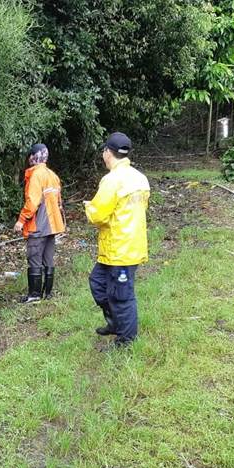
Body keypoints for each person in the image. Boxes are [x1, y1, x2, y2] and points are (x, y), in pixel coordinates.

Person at [84, 132, 150, 349]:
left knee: (123, 297)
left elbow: (98, 214)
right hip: (117, 248)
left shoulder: (112, 180)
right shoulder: (140, 178)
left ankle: (126, 341)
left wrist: (88, 207)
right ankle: (115, 322)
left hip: (121, 250)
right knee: (98, 283)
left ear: (107, 152)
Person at [13, 143, 66, 303]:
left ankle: (35, 295)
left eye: (30, 155)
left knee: (34, 257)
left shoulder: (36, 175)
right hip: (53, 225)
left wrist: (21, 220)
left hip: (39, 225)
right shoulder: (52, 175)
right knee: (48, 258)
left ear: (33, 156)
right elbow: (59, 202)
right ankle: (47, 293)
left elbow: (33, 202)